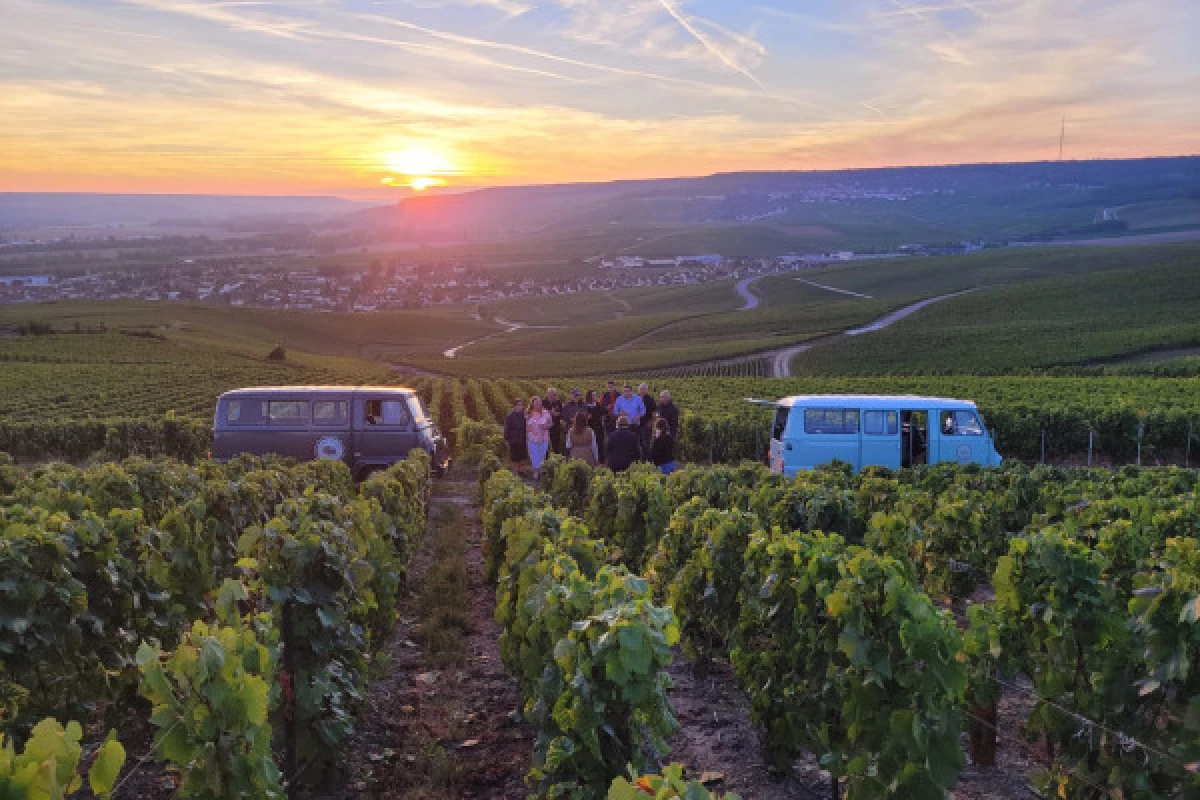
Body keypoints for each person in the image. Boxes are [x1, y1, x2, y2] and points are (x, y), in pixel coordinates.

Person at [526, 396, 553, 481]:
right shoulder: (529, 413)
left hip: (544, 438)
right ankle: (536, 473)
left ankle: (540, 472)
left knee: (542, 456)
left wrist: (546, 426)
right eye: (536, 403)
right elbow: (526, 426)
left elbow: (551, 423)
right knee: (534, 456)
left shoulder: (546, 412)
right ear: (532, 404)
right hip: (532, 439)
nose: (538, 404)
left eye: (539, 402)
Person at [585, 389, 607, 461]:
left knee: (600, 445)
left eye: (595, 395)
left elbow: (604, 412)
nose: (595, 396)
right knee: (590, 446)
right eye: (594, 395)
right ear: (589, 397)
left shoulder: (598, 405)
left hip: (599, 429)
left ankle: (601, 462)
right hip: (589, 429)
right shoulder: (585, 406)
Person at [504, 398, 527, 467]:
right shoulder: (510, 416)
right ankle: (515, 473)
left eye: (521, 405)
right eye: (518, 405)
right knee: (514, 459)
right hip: (514, 440)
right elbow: (506, 429)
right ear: (514, 406)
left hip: (523, 439)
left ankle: (520, 471)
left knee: (522, 457)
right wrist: (506, 439)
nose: (520, 407)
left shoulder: (524, 415)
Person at [637, 383, 657, 459]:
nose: (642, 391)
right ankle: (639, 459)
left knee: (646, 444)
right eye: (641, 389)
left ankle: (648, 460)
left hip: (646, 425)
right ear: (638, 390)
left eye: (644, 389)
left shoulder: (651, 400)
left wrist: (650, 423)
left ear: (647, 390)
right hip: (637, 425)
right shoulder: (635, 398)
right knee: (638, 443)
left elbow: (654, 414)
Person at [543, 387, 565, 456]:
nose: (553, 397)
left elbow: (562, 413)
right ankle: (545, 461)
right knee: (545, 446)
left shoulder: (558, 402)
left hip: (556, 427)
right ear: (547, 395)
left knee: (556, 446)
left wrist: (558, 414)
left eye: (554, 395)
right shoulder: (543, 402)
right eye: (551, 395)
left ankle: (556, 460)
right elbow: (540, 413)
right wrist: (550, 412)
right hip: (546, 429)